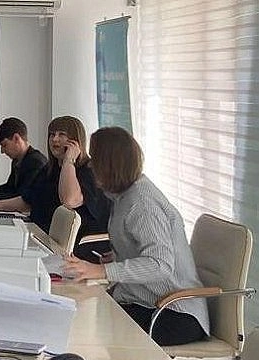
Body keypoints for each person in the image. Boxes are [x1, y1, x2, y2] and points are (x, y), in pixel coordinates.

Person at [62, 127, 209, 346]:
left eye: (96, 159)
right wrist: (117, 256)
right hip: (146, 302)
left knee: (86, 329)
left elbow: (160, 265)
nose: (91, 166)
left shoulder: (142, 203)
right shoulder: (124, 195)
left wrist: (101, 271)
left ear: (109, 164)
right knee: (80, 315)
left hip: (173, 313)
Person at [0, 116, 110, 246]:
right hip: (42, 236)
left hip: (80, 245)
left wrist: (68, 161)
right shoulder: (49, 169)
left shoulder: (89, 169)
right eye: (52, 134)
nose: (54, 139)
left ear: (75, 141)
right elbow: (28, 199)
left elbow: (69, 201)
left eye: (61, 134)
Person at [0, 117, 47, 200]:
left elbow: (21, 198)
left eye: (4, 145)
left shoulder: (36, 162)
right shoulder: (17, 160)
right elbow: (10, 188)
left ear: (16, 138)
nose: (2, 151)